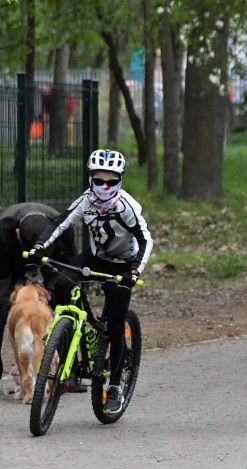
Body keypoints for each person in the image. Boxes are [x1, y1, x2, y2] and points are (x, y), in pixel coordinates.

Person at [32, 149, 153, 414]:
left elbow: (146, 240)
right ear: (91, 179)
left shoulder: (127, 207)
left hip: (122, 263)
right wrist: (39, 245)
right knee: (62, 284)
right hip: (96, 257)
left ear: (120, 180)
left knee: (115, 325)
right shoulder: (86, 200)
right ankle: (72, 335)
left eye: (111, 181)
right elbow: (60, 222)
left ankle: (116, 387)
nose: (104, 186)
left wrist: (135, 271)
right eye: (99, 180)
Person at [0, 202, 76, 396]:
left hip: (51, 264)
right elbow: (1, 284)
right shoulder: (2, 235)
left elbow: (68, 270)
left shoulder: (64, 231)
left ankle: (67, 372)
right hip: (5, 263)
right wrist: (19, 317)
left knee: (66, 307)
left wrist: (50, 298)